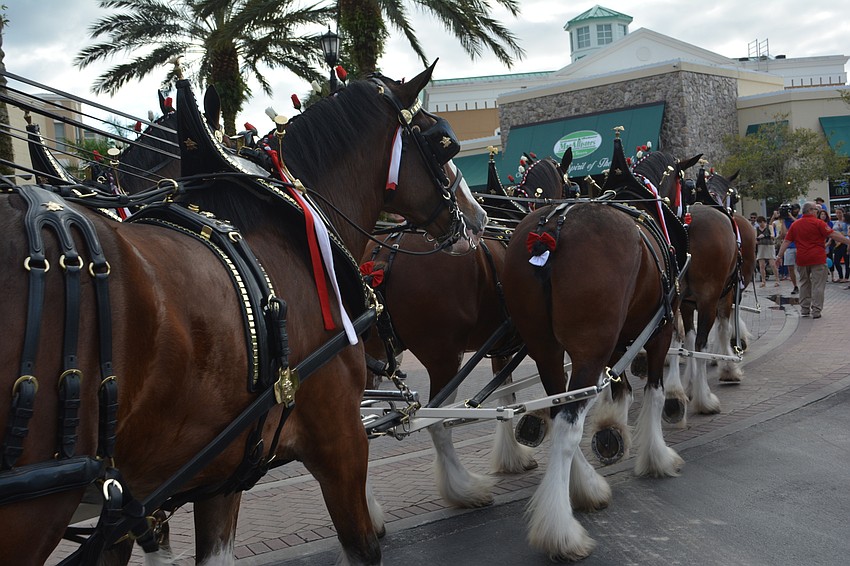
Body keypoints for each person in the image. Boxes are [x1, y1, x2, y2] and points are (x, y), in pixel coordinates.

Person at [776, 201, 850, 318]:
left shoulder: (795, 225)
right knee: (818, 285)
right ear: (810, 210)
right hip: (818, 258)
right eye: (816, 209)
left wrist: (779, 256)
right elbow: (833, 234)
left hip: (802, 259)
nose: (818, 212)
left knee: (804, 284)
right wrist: (848, 241)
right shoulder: (818, 223)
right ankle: (816, 310)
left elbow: (786, 241)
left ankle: (805, 309)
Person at [779, 203, 801, 294]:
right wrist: (783, 220)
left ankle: (805, 284)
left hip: (799, 245)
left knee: (801, 267)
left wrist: (791, 216)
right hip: (789, 246)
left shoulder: (800, 217)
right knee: (790, 267)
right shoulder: (786, 220)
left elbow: (799, 224)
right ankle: (795, 286)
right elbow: (784, 233)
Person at [755, 215, 778, 287]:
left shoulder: (769, 227)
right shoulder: (757, 229)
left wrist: (764, 235)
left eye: (760, 223)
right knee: (761, 265)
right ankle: (763, 281)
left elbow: (773, 236)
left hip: (769, 246)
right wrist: (757, 239)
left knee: (772, 264)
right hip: (761, 246)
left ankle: (777, 280)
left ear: (763, 222)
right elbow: (755, 238)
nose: (760, 225)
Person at [833, 207, 850, 284]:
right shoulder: (835, 222)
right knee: (836, 261)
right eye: (837, 213)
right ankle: (840, 276)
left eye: (840, 212)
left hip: (844, 242)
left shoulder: (846, 222)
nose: (838, 214)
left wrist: (842, 233)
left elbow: (848, 233)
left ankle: (846, 277)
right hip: (837, 243)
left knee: (847, 261)